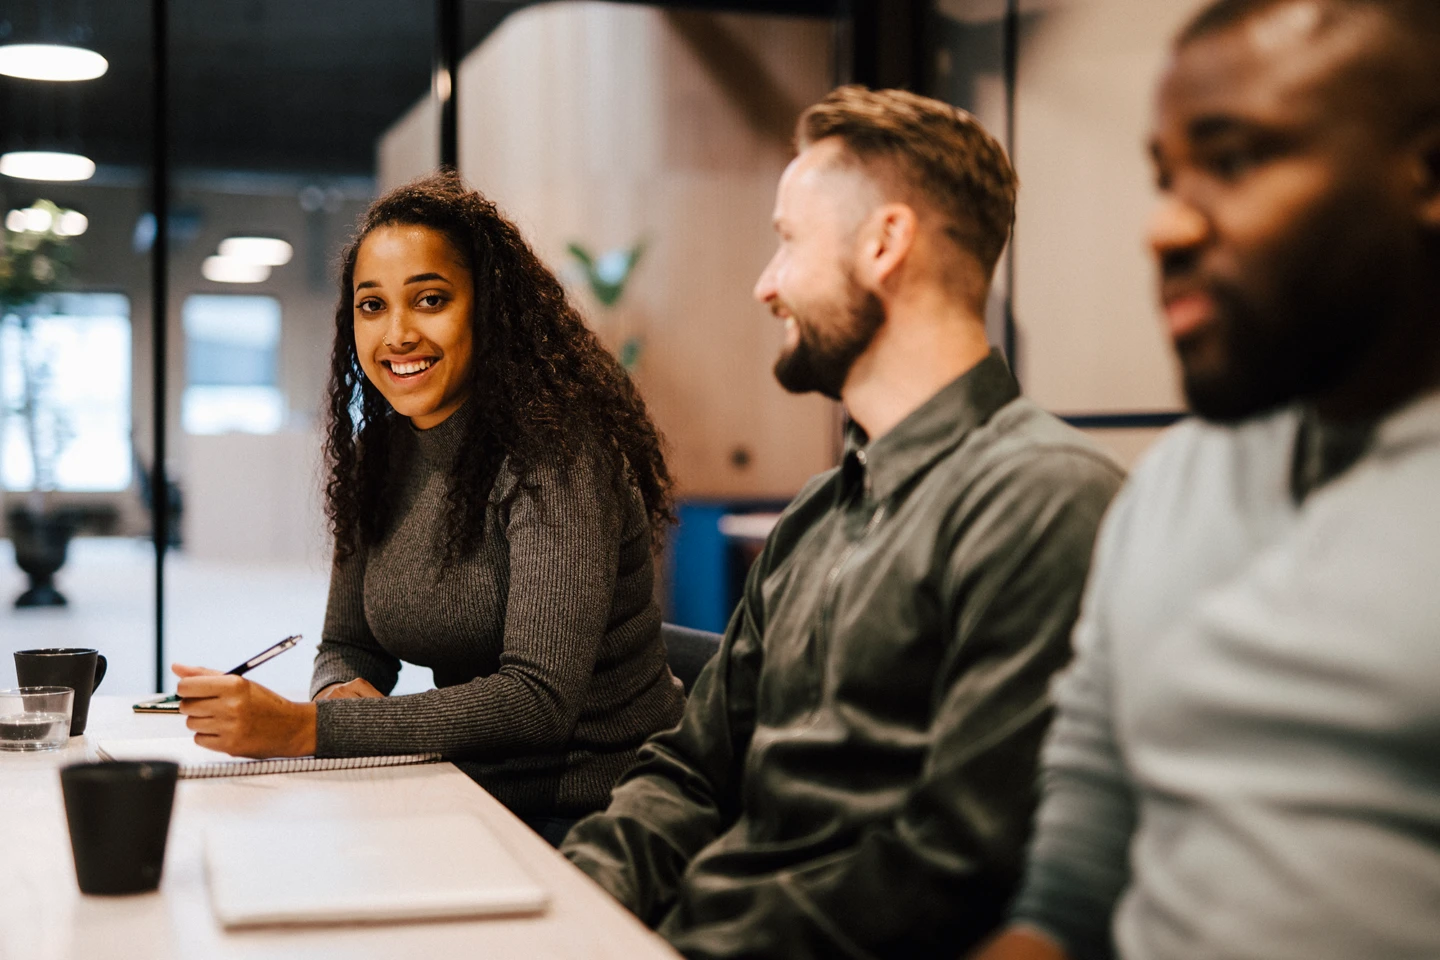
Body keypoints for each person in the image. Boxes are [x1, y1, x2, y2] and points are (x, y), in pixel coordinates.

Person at [560, 86, 1125, 959]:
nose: (764, 284)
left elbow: (955, 864)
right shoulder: (818, 513)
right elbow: (687, 773)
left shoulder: (1044, 498)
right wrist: (572, 909)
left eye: (787, 241)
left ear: (885, 242)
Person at [971, 2, 1440, 959]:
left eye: (1232, 161)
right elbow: (1078, 870)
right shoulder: (1177, 479)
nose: (1165, 226)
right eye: (1164, 176)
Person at [172, 174, 686, 839]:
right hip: (460, 787)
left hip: (598, 813)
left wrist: (308, 727)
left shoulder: (557, 456)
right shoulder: (379, 452)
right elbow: (348, 643)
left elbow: (537, 702)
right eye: (371, 306)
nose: (398, 334)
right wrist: (337, 694)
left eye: (431, 300)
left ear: (488, 309)